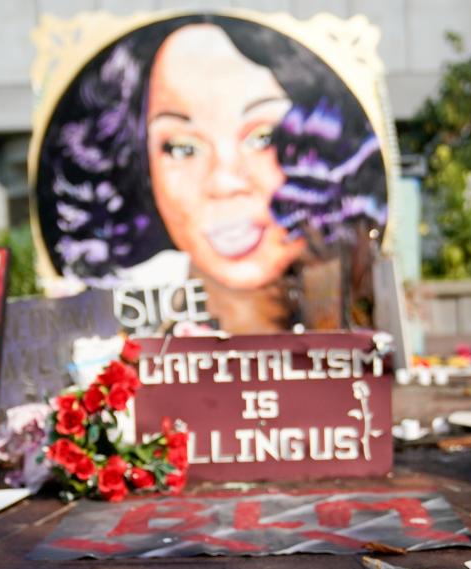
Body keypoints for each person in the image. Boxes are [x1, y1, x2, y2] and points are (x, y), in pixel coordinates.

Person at [36, 14, 388, 333]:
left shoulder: (348, 303)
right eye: (182, 147)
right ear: (141, 167)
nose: (224, 181)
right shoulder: (125, 316)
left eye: (263, 137)